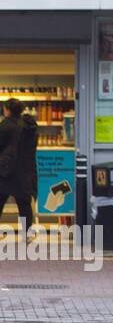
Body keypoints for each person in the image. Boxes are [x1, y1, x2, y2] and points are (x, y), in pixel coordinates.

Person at [0, 98, 38, 239]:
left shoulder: (6, 125)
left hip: (6, 171)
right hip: (24, 171)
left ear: (7, 110)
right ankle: (27, 233)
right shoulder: (29, 126)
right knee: (24, 203)